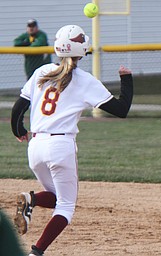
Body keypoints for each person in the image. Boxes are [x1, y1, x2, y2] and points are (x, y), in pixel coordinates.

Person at [11, 24, 133, 256]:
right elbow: (121, 109)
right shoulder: (84, 80)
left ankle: (31, 199)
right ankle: (36, 252)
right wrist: (126, 80)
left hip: (35, 146)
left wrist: (19, 130)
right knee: (65, 207)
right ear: (82, 49)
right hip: (60, 145)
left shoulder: (42, 71)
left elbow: (19, 107)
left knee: (58, 197)